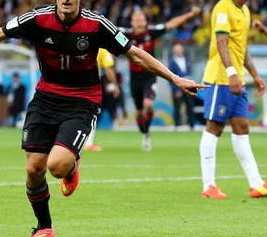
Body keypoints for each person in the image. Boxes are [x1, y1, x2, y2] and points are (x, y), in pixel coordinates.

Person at [0, 0, 206, 237]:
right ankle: (44, 227)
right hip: (45, 98)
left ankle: (72, 166)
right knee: (33, 169)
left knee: (56, 166)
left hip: (82, 100)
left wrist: (175, 79)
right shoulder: (37, 19)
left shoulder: (97, 25)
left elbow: (135, 53)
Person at [200, 0, 267, 200]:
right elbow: (222, 43)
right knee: (214, 127)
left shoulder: (245, 11)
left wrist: (255, 75)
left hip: (236, 78)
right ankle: (208, 186)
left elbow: (242, 48)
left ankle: (256, 184)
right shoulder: (223, 7)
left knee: (242, 127)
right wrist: (231, 73)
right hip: (220, 77)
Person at [120, 8, 201, 151]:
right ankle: (145, 133)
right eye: (136, 20)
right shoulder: (124, 34)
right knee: (139, 112)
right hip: (134, 78)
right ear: (131, 22)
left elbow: (171, 24)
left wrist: (189, 14)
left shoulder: (151, 32)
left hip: (149, 76)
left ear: (146, 21)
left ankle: (147, 132)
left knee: (148, 104)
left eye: (142, 20)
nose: (139, 23)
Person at [84, 48, 120, 151]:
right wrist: (115, 85)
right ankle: (88, 143)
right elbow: (108, 69)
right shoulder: (102, 50)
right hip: (90, 87)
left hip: (68, 85)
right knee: (92, 113)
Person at [169, 43, 195, 129]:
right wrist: (176, 90)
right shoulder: (172, 62)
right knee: (177, 107)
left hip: (188, 87)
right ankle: (177, 125)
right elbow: (170, 77)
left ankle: (191, 125)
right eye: (176, 50)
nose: (178, 52)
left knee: (190, 106)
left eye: (179, 50)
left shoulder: (187, 60)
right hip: (178, 88)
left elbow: (190, 74)